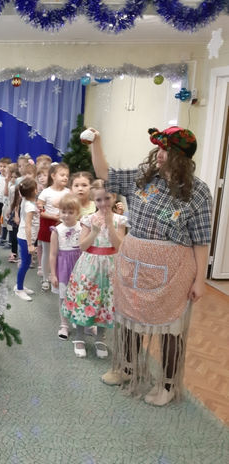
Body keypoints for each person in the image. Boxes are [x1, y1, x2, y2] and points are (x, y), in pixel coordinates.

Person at [88, 126, 212, 406]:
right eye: (159, 148)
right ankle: (127, 368)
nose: (160, 154)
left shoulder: (198, 192)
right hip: (134, 263)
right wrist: (96, 142)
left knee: (170, 327)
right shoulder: (143, 178)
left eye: (167, 150)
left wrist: (200, 280)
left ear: (182, 157)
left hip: (174, 271)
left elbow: (202, 239)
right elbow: (105, 173)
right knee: (128, 318)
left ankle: (167, 385)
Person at [61, 181, 126, 357]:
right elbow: (82, 246)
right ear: (94, 200)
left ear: (114, 197)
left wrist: (110, 225)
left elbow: (119, 246)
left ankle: (100, 338)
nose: (103, 203)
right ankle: (79, 337)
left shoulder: (120, 220)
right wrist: (94, 232)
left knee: (105, 301)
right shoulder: (88, 219)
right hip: (89, 265)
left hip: (110, 266)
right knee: (84, 299)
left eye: (107, 198)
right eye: (99, 200)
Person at [49, 193, 83, 341]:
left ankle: (80, 320)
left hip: (80, 265)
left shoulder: (83, 227)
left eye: (70, 212)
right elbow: (52, 254)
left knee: (81, 295)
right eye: (63, 211)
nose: (66, 215)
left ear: (78, 213)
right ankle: (64, 324)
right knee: (63, 297)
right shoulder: (57, 230)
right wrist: (53, 274)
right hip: (63, 267)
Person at [37, 162, 70, 290]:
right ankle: (45, 278)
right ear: (53, 176)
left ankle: (57, 275)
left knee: (61, 252)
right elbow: (40, 211)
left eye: (67, 175)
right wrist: (53, 217)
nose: (65, 178)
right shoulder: (46, 192)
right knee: (48, 252)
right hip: (48, 224)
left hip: (64, 225)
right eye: (62, 175)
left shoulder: (68, 192)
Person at [13, 177, 39, 301]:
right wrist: (30, 244)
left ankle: (20, 285)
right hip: (25, 238)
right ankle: (19, 289)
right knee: (25, 264)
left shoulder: (26, 200)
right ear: (35, 191)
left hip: (25, 237)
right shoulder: (30, 206)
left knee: (26, 263)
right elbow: (28, 226)